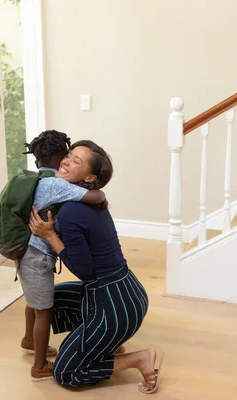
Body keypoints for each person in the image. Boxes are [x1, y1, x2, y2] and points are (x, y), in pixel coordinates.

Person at [29, 140, 162, 393]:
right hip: (126, 294)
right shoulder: (91, 201)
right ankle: (107, 342)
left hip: (114, 304)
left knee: (65, 372)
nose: (66, 161)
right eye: (68, 155)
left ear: (90, 177)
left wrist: (50, 237)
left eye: (76, 161)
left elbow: (85, 271)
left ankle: (138, 358)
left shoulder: (70, 212)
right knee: (48, 302)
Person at [18, 130, 107, 381]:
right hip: (38, 255)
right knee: (44, 311)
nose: (68, 161)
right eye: (67, 155)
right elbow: (95, 196)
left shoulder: (35, 179)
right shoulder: (56, 184)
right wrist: (100, 196)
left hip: (24, 251)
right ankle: (39, 366)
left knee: (32, 301)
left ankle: (28, 340)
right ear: (59, 158)